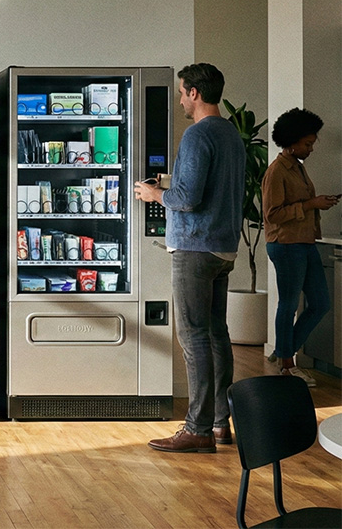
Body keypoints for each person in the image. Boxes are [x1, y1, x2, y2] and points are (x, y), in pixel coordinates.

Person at [134, 63, 245, 453]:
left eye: (183, 92)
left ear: (195, 93)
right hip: (223, 247)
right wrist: (169, 183)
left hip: (195, 247)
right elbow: (211, 188)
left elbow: (187, 199)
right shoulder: (231, 134)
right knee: (217, 334)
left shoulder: (197, 135)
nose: (180, 99)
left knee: (193, 336)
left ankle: (196, 429)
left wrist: (154, 195)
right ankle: (220, 423)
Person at [262, 108, 340, 387]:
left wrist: (316, 202)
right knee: (289, 303)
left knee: (320, 304)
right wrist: (311, 204)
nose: (311, 148)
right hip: (285, 245)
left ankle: (283, 351)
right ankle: (286, 365)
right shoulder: (276, 171)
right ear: (292, 141)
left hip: (305, 243)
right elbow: (272, 214)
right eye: (308, 143)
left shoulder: (298, 167)